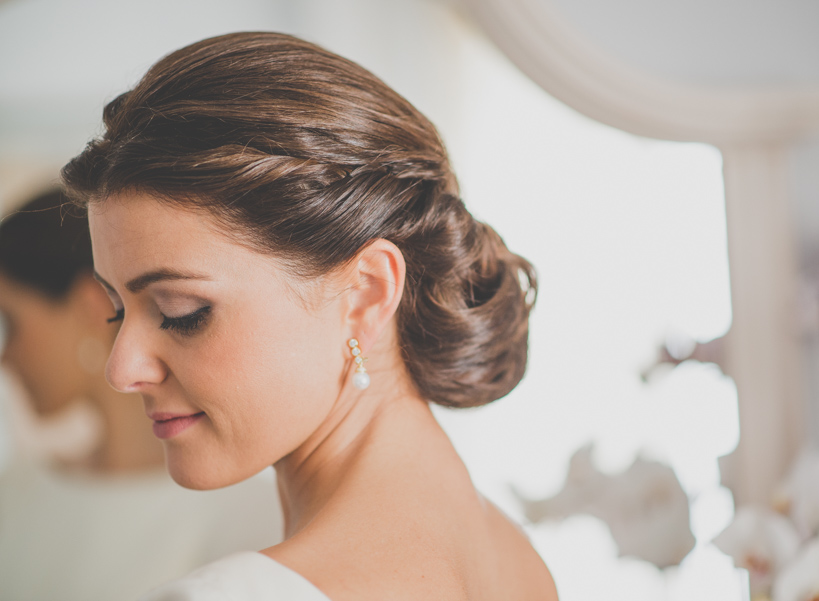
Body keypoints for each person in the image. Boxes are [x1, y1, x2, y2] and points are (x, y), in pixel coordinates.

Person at [63, 32, 557, 601]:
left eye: (182, 313)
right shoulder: (518, 562)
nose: (122, 370)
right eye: (117, 312)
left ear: (366, 294)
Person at [0, 189, 282, 601]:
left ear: (88, 307)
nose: (5, 356)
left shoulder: (254, 519)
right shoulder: (15, 495)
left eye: (12, 320)